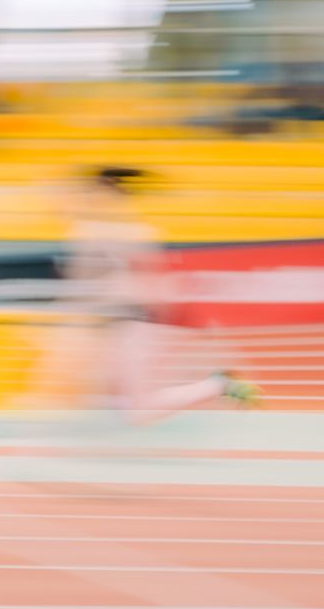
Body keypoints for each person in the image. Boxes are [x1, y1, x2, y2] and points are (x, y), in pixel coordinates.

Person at [63, 166, 258, 422]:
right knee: (108, 398)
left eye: (90, 194)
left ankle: (219, 385)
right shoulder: (117, 232)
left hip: (130, 327)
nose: (85, 200)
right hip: (120, 328)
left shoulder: (104, 233)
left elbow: (139, 286)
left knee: (141, 411)